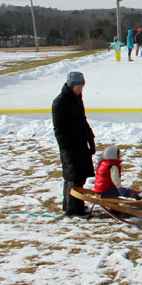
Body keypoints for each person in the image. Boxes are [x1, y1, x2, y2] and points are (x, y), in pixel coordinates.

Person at [52, 71, 96, 217]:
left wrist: (90, 138)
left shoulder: (77, 99)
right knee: (73, 177)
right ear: (71, 86)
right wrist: (66, 149)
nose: (80, 91)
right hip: (70, 146)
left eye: (82, 87)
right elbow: (59, 129)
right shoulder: (60, 102)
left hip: (80, 144)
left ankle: (72, 205)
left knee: (79, 176)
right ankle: (73, 210)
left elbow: (83, 120)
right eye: (78, 87)